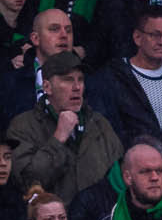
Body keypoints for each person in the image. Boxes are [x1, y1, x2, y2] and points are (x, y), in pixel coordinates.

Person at [7, 50, 121, 206]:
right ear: (47, 87)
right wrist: (58, 138)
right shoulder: (23, 126)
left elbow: (120, 178)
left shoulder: (100, 124)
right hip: (52, 218)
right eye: (68, 80)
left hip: (98, 218)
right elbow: (28, 182)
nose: (77, 87)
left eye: (80, 80)